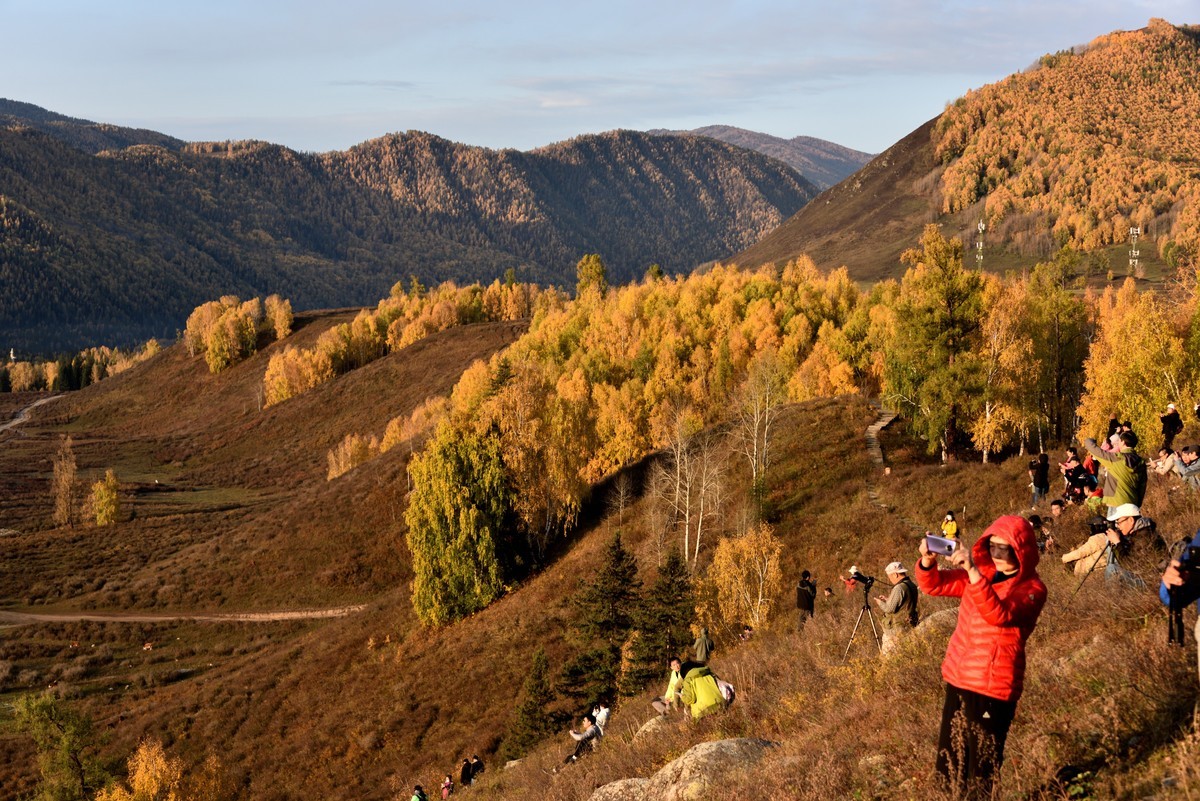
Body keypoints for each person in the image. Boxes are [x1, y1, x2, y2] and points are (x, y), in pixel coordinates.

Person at [915, 515, 1047, 800]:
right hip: (959, 678)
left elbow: (999, 615)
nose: (996, 555)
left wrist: (973, 571)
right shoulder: (983, 574)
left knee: (981, 766)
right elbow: (934, 585)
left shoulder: (1033, 590)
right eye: (992, 547)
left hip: (993, 688)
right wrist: (927, 562)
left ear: (1022, 551)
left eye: (1004, 549)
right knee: (949, 761)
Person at [1083, 430, 1147, 509]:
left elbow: (1094, 450)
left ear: (1123, 442)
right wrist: (1137, 504)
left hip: (1115, 503)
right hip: (1132, 504)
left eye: (1119, 441)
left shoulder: (1116, 458)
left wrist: (1090, 440)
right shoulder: (1141, 462)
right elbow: (1142, 487)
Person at [874, 561, 919, 653]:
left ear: (895, 574)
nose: (890, 579)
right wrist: (888, 599)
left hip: (896, 629)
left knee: (890, 656)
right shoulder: (911, 585)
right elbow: (905, 603)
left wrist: (879, 603)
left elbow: (889, 609)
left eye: (890, 577)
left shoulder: (899, 588)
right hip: (909, 624)